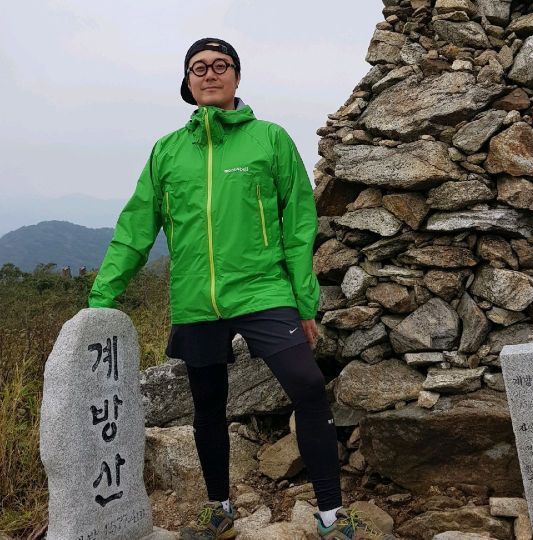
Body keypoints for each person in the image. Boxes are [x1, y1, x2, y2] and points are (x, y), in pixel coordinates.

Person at [88, 37, 393, 540]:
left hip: (263, 291)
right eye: (198, 67)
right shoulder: (167, 151)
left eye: (220, 65)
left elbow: (298, 223)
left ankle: (331, 516)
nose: (210, 73)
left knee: (307, 386)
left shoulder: (269, 139)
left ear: (236, 76)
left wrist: (304, 301)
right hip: (195, 299)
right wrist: (101, 298)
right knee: (208, 406)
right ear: (187, 82)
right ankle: (220, 510)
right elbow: (136, 228)